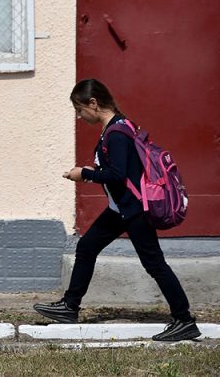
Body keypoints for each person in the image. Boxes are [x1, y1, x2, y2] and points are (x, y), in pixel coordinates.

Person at [33, 79, 200, 342]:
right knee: (87, 247)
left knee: (154, 264)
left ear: (93, 103)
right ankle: (69, 307)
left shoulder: (117, 133)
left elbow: (118, 175)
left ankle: (184, 320)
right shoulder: (118, 127)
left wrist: (85, 174)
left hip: (134, 211)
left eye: (79, 109)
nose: (79, 116)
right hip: (120, 208)